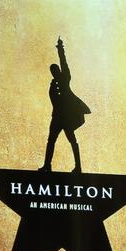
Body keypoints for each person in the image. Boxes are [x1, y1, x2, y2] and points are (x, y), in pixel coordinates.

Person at [38, 37, 91, 173]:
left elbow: (63, 61)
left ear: (58, 71)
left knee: (72, 140)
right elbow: (54, 101)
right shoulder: (53, 86)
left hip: (67, 117)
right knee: (51, 141)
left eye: (55, 70)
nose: (54, 72)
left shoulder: (65, 78)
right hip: (57, 117)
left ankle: (78, 166)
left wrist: (60, 48)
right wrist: (52, 91)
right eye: (52, 71)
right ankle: (47, 166)